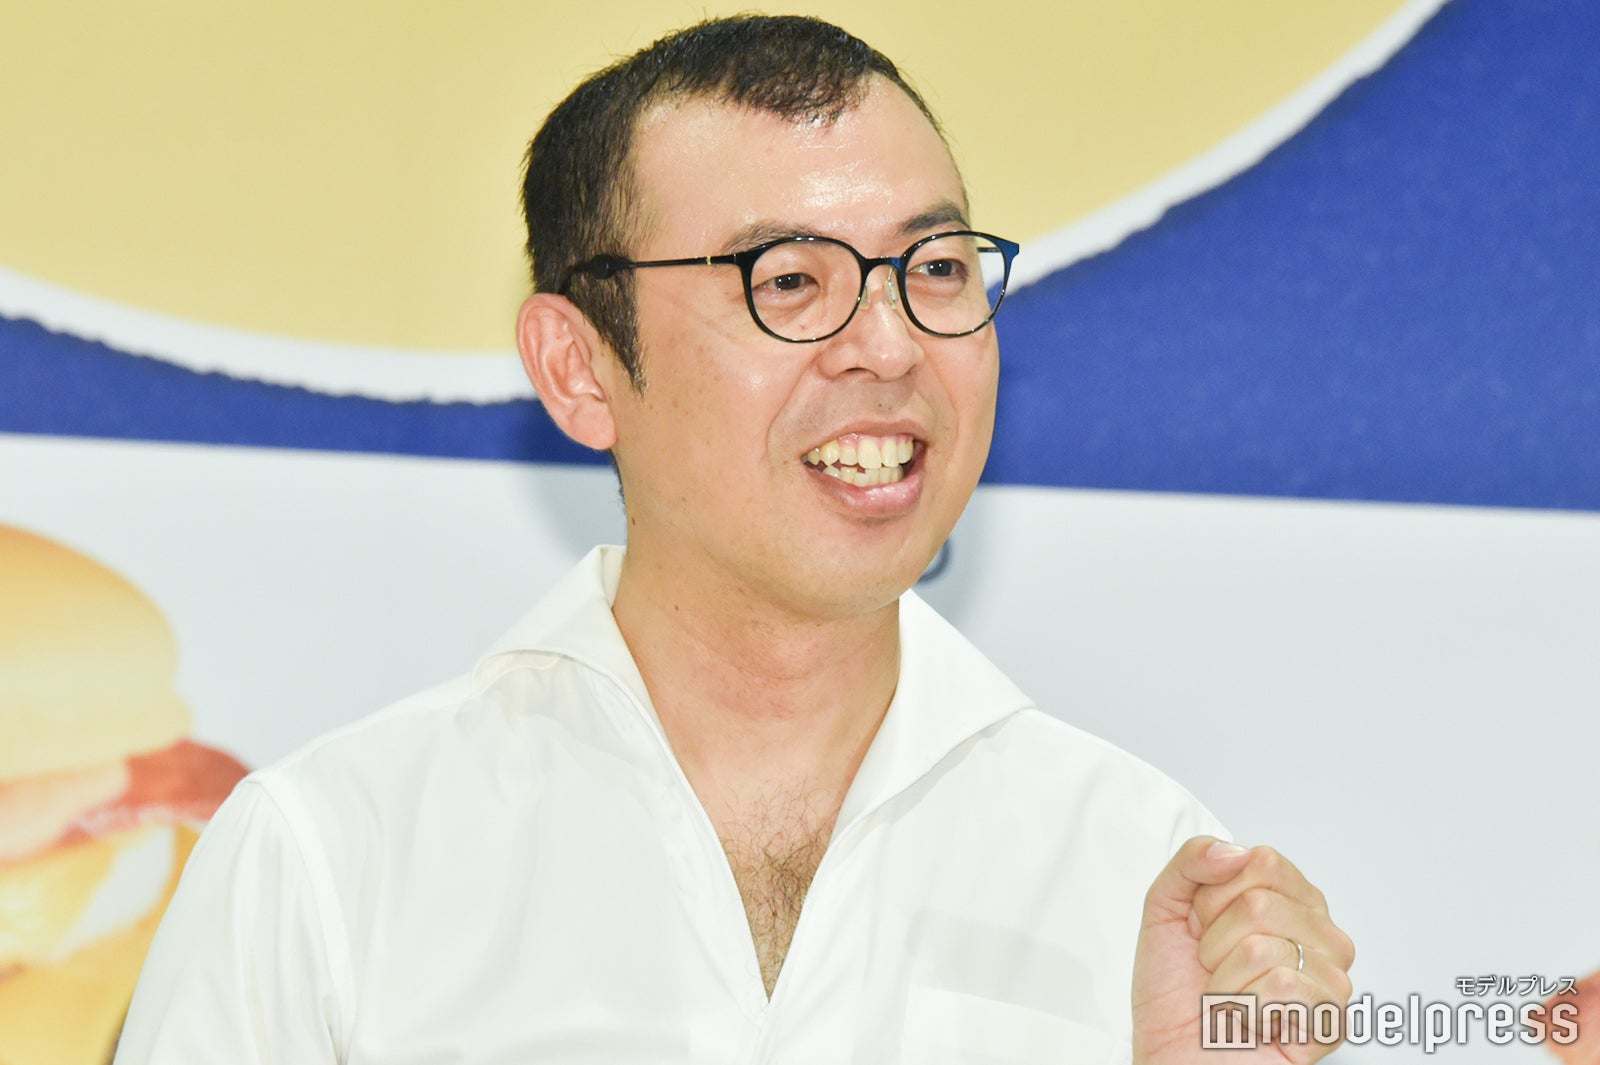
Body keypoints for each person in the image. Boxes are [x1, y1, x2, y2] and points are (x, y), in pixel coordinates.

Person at [114, 15, 1353, 1064]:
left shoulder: (1146, 871)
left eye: (934, 267)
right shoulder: (335, 861)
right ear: (579, 368)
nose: (889, 346)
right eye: (791, 281)